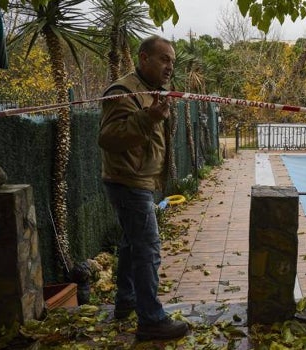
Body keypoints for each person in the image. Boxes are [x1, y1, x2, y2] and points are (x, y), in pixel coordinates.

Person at [98, 35, 188, 341]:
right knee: (147, 248)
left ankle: (126, 301)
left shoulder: (151, 91)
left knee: (130, 243)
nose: (169, 67)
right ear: (143, 57)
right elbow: (109, 138)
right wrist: (148, 117)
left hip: (139, 180)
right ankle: (151, 319)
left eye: (172, 62)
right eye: (164, 59)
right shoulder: (123, 91)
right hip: (128, 182)